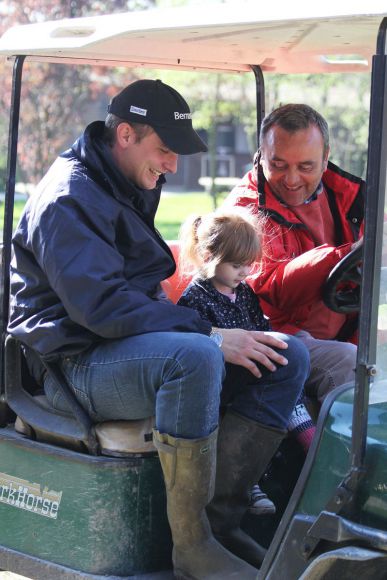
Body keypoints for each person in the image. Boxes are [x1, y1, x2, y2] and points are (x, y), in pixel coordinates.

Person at [7, 79, 305, 579]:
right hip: (70, 366)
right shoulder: (69, 198)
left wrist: (211, 333)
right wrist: (209, 333)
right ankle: (191, 547)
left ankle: (220, 522)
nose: (172, 165)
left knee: (285, 355)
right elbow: (100, 308)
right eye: (164, 150)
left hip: (121, 348)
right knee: (196, 356)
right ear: (124, 134)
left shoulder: (124, 179)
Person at [177, 207, 313, 520]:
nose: (244, 272)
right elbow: (196, 347)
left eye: (249, 265)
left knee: (286, 366)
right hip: (220, 383)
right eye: (237, 265)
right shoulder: (196, 298)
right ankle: (247, 482)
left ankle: (303, 448)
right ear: (209, 255)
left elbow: (259, 328)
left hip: (251, 370)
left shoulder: (244, 291)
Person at [223, 103, 365, 404]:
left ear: (325, 159)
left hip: (345, 328)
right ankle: (343, 452)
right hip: (273, 334)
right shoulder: (244, 213)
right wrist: (339, 256)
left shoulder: (350, 197)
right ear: (261, 155)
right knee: (347, 362)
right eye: (278, 164)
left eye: (305, 167)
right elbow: (272, 290)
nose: (291, 179)